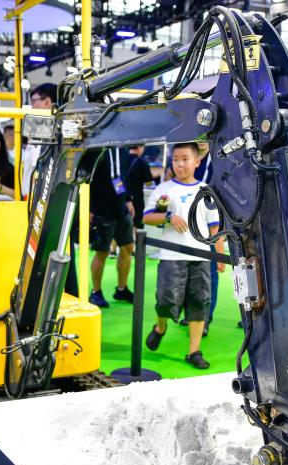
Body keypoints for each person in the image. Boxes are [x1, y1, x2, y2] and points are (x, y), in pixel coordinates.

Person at [143, 142, 224, 369]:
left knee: (199, 303)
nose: (180, 164)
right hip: (171, 256)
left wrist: (219, 254)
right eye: (176, 159)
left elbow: (214, 227)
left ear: (197, 161)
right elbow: (147, 217)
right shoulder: (164, 189)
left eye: (185, 159)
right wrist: (168, 217)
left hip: (200, 258)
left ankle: (194, 351)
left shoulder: (206, 191)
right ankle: (160, 327)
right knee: (166, 301)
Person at [89, 147, 135, 307]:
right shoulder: (96, 149)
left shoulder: (122, 147)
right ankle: (96, 292)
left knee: (128, 247)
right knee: (101, 252)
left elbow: (122, 174)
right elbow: (86, 178)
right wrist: (88, 208)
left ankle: (122, 289)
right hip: (101, 209)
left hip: (121, 208)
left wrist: (128, 199)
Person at [20, 83, 57, 199]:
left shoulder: (44, 129)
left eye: (34, 101)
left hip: (35, 198)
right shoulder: (50, 128)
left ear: (47, 101)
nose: (32, 107)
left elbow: (37, 167)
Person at [124, 143, 155, 228]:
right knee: (136, 223)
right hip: (137, 198)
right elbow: (149, 183)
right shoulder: (142, 162)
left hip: (123, 198)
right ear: (139, 147)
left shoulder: (121, 159)